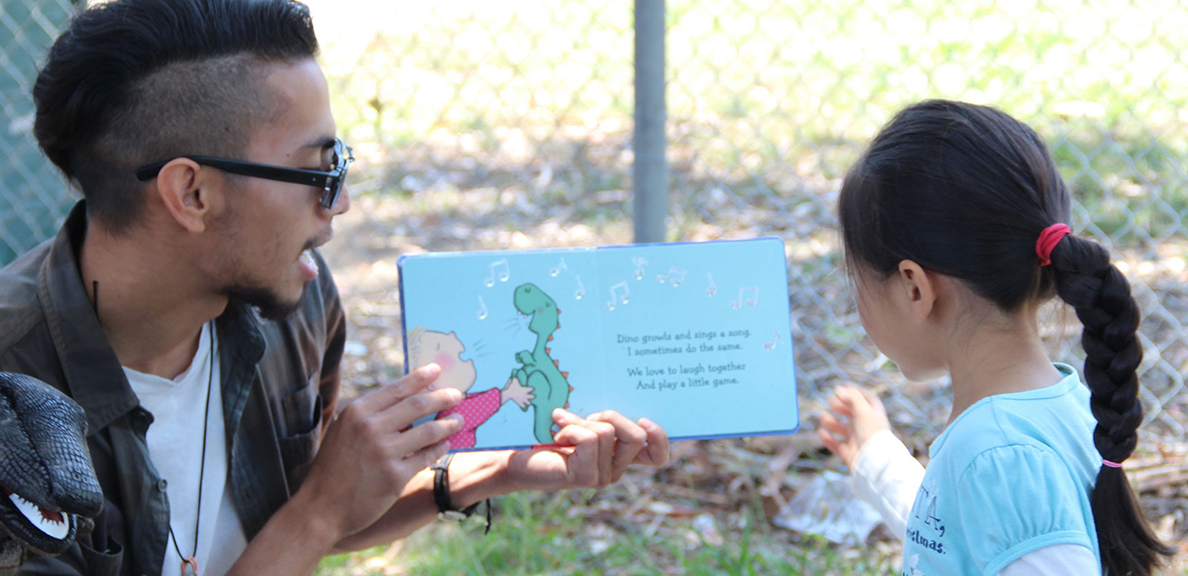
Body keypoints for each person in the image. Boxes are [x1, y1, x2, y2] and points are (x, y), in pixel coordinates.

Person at [0, 0, 670, 574]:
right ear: (191, 192)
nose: (341, 200)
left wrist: (500, 469)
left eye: (340, 162)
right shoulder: (12, 393)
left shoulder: (292, 305)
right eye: (319, 169)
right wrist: (318, 512)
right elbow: (311, 520)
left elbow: (304, 519)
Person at [816, 100, 1173, 575]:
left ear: (914, 287)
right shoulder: (1051, 412)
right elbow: (964, 541)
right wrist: (878, 460)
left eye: (856, 280)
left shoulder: (999, 458)